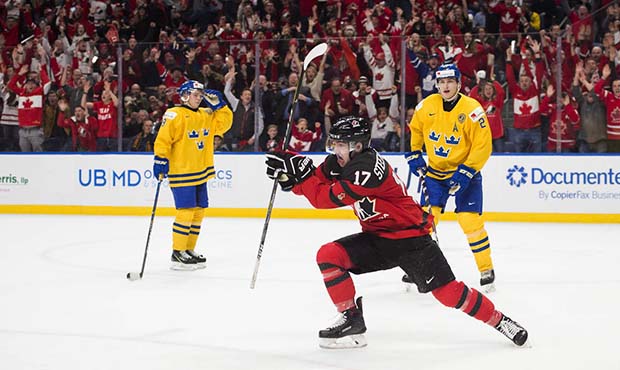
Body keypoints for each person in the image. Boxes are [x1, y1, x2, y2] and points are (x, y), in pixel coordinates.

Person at [264, 116, 528, 349]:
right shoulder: (341, 161)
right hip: (378, 238)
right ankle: (351, 320)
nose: (335, 150)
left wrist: (303, 178)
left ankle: (500, 321)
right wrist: (292, 175)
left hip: (412, 240)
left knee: (448, 294)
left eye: (340, 145)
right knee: (329, 255)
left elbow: (324, 199)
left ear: (357, 146)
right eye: (334, 145)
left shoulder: (365, 169)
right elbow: (317, 179)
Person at [404, 64, 496, 292]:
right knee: (425, 222)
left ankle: (486, 268)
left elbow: (483, 145)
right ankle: (419, 268)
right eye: (441, 82)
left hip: (466, 174)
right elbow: (415, 129)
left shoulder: (473, 109)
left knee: (469, 221)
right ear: (436, 84)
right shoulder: (426, 106)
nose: (445, 86)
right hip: (435, 175)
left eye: (450, 81)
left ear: (459, 83)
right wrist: (414, 153)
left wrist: (466, 171)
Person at [153, 81, 233, 270]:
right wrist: (160, 159)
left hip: (201, 171)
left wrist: (221, 106)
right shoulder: (174, 114)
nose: (199, 98)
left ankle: (188, 250)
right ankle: (177, 252)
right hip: (182, 171)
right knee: (186, 211)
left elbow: (226, 124)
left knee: (199, 211)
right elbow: (163, 139)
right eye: (195, 94)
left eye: (200, 95)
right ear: (184, 96)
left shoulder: (206, 114)